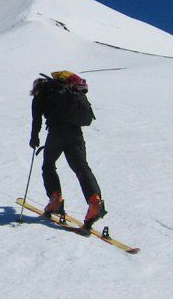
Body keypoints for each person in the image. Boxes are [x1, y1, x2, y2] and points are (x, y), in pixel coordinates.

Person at [29, 71, 106, 232]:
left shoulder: (41, 95)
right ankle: (94, 201)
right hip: (75, 133)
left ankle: (55, 199)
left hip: (57, 133)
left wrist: (34, 138)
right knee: (81, 168)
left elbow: (36, 120)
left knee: (48, 165)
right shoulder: (65, 90)